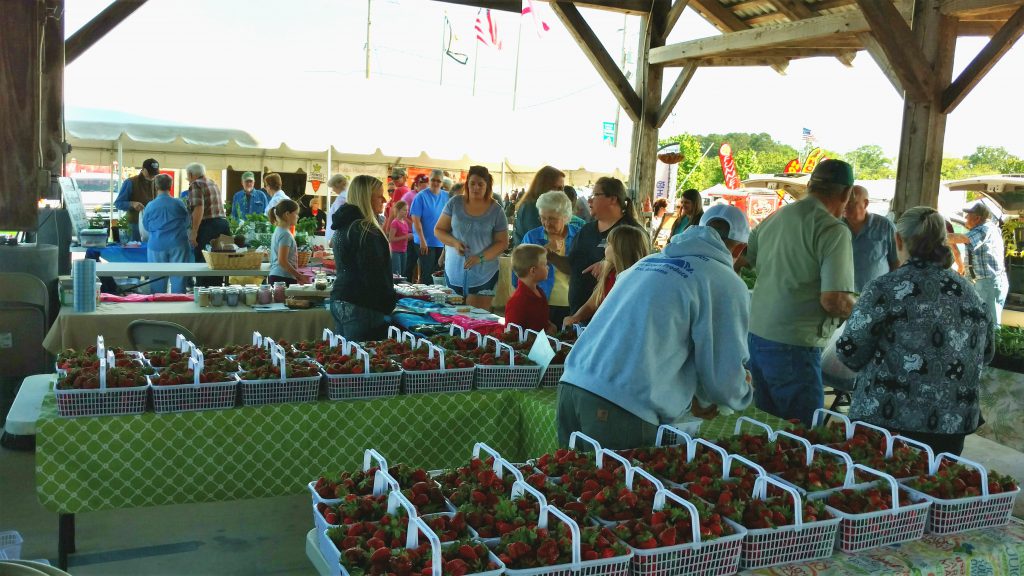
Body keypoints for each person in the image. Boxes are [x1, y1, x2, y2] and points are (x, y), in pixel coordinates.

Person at [556, 204, 755, 449]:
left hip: (573, 383)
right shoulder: (725, 281)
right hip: (622, 403)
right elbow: (723, 372)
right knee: (618, 475)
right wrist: (741, 392)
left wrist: (698, 397)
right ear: (740, 248)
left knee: (573, 472)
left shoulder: (649, 262)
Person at [838, 207, 994, 456]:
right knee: (936, 481)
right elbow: (986, 354)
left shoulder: (885, 288)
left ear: (898, 240)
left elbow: (850, 351)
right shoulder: (970, 292)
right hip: (952, 425)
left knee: (879, 481)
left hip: (887, 423)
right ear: (944, 241)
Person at [747, 159, 857, 427]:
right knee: (803, 435)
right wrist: (864, 310)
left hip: (757, 337)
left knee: (767, 428)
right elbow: (834, 300)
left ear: (809, 185)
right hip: (794, 344)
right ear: (847, 193)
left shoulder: (775, 217)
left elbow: (749, 259)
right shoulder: (832, 229)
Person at [550, 176, 643, 315]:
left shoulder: (631, 232)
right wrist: (550, 256)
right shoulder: (586, 230)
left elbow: (639, 271)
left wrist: (609, 264)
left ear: (612, 199)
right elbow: (573, 267)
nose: (589, 200)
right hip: (578, 313)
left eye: (595, 195)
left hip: (611, 316)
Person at [331, 175, 396, 341]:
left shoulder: (344, 225)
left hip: (340, 299)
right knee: (363, 355)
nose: (384, 200)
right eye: (379, 196)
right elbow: (374, 274)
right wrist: (388, 303)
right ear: (367, 198)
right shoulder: (365, 230)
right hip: (363, 304)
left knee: (345, 353)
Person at [434, 165, 509, 309]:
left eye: (480, 184)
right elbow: (438, 230)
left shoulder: (496, 210)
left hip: (484, 275)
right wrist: (455, 243)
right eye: (472, 183)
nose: (476, 188)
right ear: (467, 184)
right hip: (454, 272)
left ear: (487, 186)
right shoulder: (454, 203)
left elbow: (502, 242)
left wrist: (480, 258)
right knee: (453, 316)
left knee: (477, 318)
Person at [562, 225, 649, 328]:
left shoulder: (637, 281)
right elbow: (592, 304)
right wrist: (576, 317)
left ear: (620, 249)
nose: (604, 246)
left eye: (608, 244)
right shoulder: (609, 274)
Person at [521, 191, 581, 326]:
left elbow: (581, 268)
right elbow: (521, 271)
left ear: (565, 217)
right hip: (541, 302)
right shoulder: (532, 237)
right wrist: (544, 250)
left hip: (574, 305)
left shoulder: (579, 235)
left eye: (552, 219)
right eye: (543, 218)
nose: (547, 223)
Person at [948, 202, 1008, 326]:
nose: (965, 217)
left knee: (991, 323)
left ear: (977, 218)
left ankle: (992, 339)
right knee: (977, 320)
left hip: (988, 282)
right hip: (981, 282)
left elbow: (963, 239)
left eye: (968, 215)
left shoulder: (985, 228)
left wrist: (936, 236)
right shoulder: (984, 228)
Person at [843, 185, 899, 292]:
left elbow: (896, 262)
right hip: (844, 295)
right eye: (844, 201)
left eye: (851, 202)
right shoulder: (837, 227)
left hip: (877, 295)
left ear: (865, 203)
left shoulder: (885, 226)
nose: (845, 206)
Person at [142, 174, 190, 294]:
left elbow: (146, 226)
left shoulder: (150, 205)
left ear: (156, 186)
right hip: (178, 243)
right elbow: (187, 222)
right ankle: (178, 303)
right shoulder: (179, 203)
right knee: (179, 279)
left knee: (157, 280)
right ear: (170, 186)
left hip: (156, 245)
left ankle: (159, 303)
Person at [184, 162, 230, 287]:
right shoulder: (212, 182)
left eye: (187, 176)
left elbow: (199, 209)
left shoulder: (196, 184)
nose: (187, 179)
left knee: (204, 263)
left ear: (191, 174)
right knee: (218, 262)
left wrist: (194, 232)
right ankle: (216, 291)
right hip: (222, 224)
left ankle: (204, 293)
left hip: (208, 226)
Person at [410, 169, 450, 282]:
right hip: (425, 241)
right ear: (429, 180)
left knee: (439, 274)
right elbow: (416, 220)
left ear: (442, 183)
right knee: (427, 274)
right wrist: (422, 240)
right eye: (433, 180)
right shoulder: (421, 196)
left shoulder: (447, 196)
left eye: (438, 181)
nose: (436, 183)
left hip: (441, 241)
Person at [505, 244, 555, 333]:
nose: (548, 267)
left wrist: (549, 326)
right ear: (533, 270)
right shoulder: (517, 301)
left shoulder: (539, 292)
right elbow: (510, 334)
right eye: (545, 264)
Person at [513, 166, 565, 245]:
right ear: (543, 186)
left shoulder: (539, 205)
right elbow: (537, 238)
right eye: (557, 188)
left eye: (562, 189)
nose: (561, 192)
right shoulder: (532, 208)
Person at [114, 158, 160, 241]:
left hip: (153, 224)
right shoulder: (130, 182)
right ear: (144, 170)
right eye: (150, 173)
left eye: (155, 173)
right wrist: (132, 204)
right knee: (135, 248)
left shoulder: (158, 182)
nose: (153, 176)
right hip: (134, 225)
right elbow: (118, 203)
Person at [268, 200, 306, 286]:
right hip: (282, 278)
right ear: (287, 214)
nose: (298, 217)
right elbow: (282, 261)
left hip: (277, 276)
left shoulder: (279, 230)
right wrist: (299, 275)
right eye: (296, 213)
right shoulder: (285, 234)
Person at [387, 201, 412, 276]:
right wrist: (406, 237)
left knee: (403, 273)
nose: (406, 212)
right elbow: (391, 239)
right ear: (398, 210)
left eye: (407, 210)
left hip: (404, 251)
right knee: (397, 274)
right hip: (396, 251)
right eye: (404, 210)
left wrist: (410, 237)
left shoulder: (405, 223)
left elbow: (404, 237)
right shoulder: (395, 222)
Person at [326, 174, 350, 241]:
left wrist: (333, 239)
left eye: (332, 187)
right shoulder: (348, 196)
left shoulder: (341, 199)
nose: (332, 189)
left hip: (337, 236)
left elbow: (338, 220)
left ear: (337, 185)